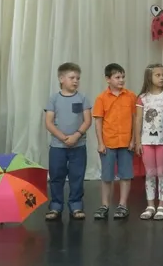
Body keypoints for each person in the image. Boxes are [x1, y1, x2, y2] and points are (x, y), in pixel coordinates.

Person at [44, 62, 92, 221]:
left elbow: (87, 121)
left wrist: (76, 136)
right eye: (72, 78)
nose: (76, 81)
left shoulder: (82, 98)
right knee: (56, 176)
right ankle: (56, 206)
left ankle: (76, 205)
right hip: (58, 147)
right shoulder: (54, 99)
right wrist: (63, 138)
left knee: (77, 176)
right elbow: (49, 122)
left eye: (78, 78)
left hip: (78, 146)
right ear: (61, 79)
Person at [92, 63, 137, 220]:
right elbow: (98, 121)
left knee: (126, 175)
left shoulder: (131, 96)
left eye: (123, 77)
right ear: (108, 79)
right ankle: (104, 205)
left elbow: (135, 119)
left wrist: (133, 140)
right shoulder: (101, 98)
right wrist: (100, 143)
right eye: (117, 77)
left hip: (126, 143)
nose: (121, 80)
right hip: (108, 142)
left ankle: (122, 205)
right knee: (107, 176)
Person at [134, 63, 163, 221]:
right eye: (158, 75)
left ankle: (162, 205)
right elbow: (138, 120)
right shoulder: (142, 98)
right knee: (150, 173)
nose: (161, 78)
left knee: (162, 173)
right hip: (147, 141)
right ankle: (150, 205)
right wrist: (138, 141)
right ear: (149, 77)